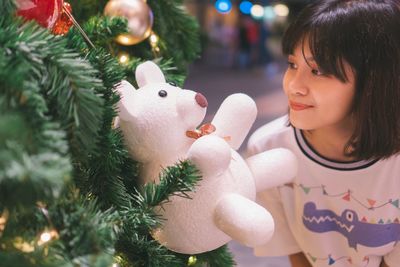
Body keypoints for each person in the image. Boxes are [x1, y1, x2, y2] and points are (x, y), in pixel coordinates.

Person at [246, 1, 400, 266]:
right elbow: (297, 255)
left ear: (374, 79)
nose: (294, 86)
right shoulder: (269, 150)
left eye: (318, 71)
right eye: (293, 64)